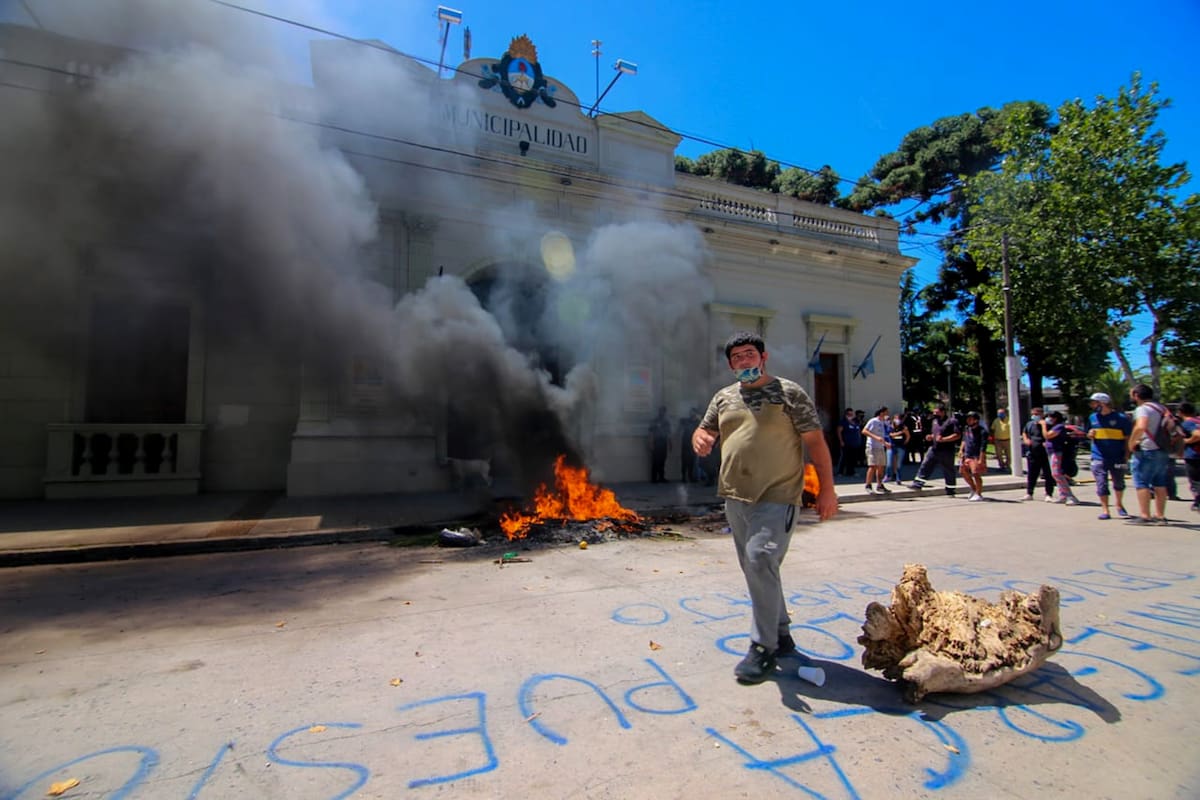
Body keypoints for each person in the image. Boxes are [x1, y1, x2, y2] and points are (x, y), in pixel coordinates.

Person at [692, 331, 838, 684]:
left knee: (760, 560)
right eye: (737, 357)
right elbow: (705, 429)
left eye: (749, 354)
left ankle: (763, 647)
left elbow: (816, 443)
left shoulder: (789, 393)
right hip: (735, 497)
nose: (744, 361)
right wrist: (700, 436)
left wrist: (827, 491)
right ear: (731, 364)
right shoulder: (724, 398)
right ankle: (782, 632)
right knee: (758, 569)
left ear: (763, 357)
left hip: (777, 496)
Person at [1126, 384, 1170, 525]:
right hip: (1162, 449)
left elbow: (1141, 426)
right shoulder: (1162, 408)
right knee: (1160, 483)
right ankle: (1160, 515)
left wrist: (1131, 442)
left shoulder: (1142, 409)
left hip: (1147, 449)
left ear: (1137, 395)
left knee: (1142, 482)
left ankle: (1145, 515)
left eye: (1132, 393)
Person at [1085, 392, 1131, 520]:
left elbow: (1128, 438)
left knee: (1119, 482)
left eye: (1094, 402)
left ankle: (1119, 505)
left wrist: (1127, 454)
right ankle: (1105, 510)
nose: (1092, 405)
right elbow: (1087, 433)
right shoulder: (1092, 418)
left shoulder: (1121, 418)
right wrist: (1090, 434)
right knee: (1101, 484)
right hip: (1098, 457)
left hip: (1118, 457)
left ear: (1103, 403)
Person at [908, 404, 960, 495]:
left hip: (946, 450)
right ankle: (918, 484)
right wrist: (931, 437)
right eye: (934, 412)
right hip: (934, 448)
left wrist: (944, 439)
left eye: (937, 412)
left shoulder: (952, 421)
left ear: (943, 412)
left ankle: (950, 489)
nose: (935, 414)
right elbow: (936, 434)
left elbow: (957, 435)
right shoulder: (935, 421)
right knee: (926, 465)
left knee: (948, 469)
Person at [1041, 410, 1079, 504]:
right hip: (1051, 452)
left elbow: (1047, 435)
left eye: (1050, 417)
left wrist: (1043, 425)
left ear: (1055, 418)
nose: (1048, 419)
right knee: (1055, 474)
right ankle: (1063, 495)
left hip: (1057, 452)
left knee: (1057, 474)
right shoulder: (1054, 426)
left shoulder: (1059, 426)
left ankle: (1070, 496)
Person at [1021, 407, 1055, 501]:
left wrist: (1043, 425)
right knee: (1032, 474)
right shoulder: (1029, 424)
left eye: (1037, 414)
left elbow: (1049, 435)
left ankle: (1049, 494)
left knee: (1048, 474)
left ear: (1042, 414)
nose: (1034, 416)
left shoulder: (1047, 424)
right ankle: (1029, 493)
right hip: (1033, 452)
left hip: (1045, 453)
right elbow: (1024, 433)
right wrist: (1026, 439)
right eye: (1033, 414)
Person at [959, 411, 988, 501]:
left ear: (976, 420)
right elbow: (964, 440)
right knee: (963, 471)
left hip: (976, 455)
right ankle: (973, 488)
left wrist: (981, 458)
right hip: (967, 454)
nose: (968, 420)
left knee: (975, 473)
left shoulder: (982, 431)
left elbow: (983, 446)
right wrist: (961, 450)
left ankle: (979, 493)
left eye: (970, 419)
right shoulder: (967, 429)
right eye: (968, 419)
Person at [863, 406, 891, 495]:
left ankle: (880, 485)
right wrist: (875, 437)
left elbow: (885, 435)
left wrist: (886, 443)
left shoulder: (884, 423)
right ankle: (868, 485)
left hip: (880, 447)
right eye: (886, 412)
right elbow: (864, 431)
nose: (888, 414)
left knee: (881, 466)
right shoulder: (873, 421)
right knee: (873, 466)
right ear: (881, 413)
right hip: (872, 446)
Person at [1178, 401, 1200, 514]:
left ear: (1181, 412)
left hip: (1194, 456)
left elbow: (1197, 434)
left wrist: (1187, 441)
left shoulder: (1187, 423)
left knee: (1195, 481)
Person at [836, 408, 862, 477]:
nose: (850, 415)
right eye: (849, 414)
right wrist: (841, 441)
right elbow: (839, 431)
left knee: (852, 458)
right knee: (844, 457)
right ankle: (840, 472)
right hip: (846, 442)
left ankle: (851, 471)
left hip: (855, 443)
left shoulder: (855, 422)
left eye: (852, 414)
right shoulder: (843, 422)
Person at [648, 406, 671, 483]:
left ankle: (661, 477)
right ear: (659, 412)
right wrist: (651, 443)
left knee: (662, 461)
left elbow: (668, 434)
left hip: (663, 443)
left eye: (664, 412)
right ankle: (654, 478)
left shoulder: (666, 422)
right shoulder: (655, 421)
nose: (662, 413)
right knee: (655, 461)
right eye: (661, 411)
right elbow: (651, 432)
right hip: (656, 442)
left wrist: (670, 444)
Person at [886, 412, 910, 484]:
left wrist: (905, 442)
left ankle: (898, 477)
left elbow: (908, 436)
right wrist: (901, 432)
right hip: (892, 446)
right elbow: (891, 435)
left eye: (898, 418)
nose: (897, 420)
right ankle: (888, 475)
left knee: (898, 463)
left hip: (900, 446)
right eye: (896, 418)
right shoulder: (890, 426)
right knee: (889, 463)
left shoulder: (903, 427)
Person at [679, 407, 701, 483]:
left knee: (692, 461)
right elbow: (680, 427)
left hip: (693, 443)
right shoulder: (686, 421)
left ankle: (690, 476)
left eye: (694, 412)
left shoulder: (697, 422)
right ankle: (684, 477)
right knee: (684, 461)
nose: (692, 414)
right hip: (685, 443)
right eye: (691, 412)